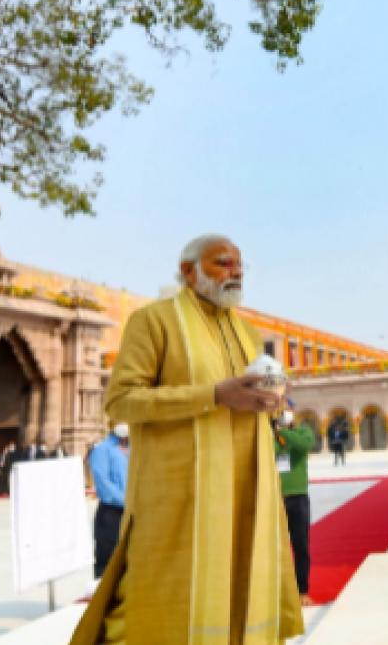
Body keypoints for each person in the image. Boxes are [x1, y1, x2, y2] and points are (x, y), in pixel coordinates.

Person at [71, 234, 303, 645]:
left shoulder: (247, 333)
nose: (237, 271)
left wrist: (268, 399)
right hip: (181, 497)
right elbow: (121, 401)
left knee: (240, 593)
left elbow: (244, 397)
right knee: (159, 603)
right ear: (187, 271)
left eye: (240, 264)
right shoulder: (154, 321)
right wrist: (214, 394)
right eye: (224, 263)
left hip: (246, 489)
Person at [273, 408, 315, 607]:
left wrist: (283, 431)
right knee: (274, 548)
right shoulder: (268, 437)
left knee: (301, 546)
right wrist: (274, 433)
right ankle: (277, 592)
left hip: (297, 498)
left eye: (285, 409)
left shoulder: (302, 432)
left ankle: (302, 590)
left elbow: (305, 445)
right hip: (275, 499)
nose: (281, 413)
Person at [89, 424, 130, 580]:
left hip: (131, 510)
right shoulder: (102, 450)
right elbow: (103, 483)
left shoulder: (132, 449)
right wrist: (125, 500)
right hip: (111, 512)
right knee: (108, 558)